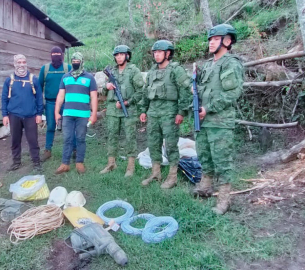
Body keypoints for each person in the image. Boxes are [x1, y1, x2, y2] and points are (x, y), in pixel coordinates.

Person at [192, 24, 244, 215]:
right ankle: (205, 186)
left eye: (215, 39)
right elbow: (204, 89)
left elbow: (233, 93)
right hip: (203, 121)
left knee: (222, 159)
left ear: (227, 41)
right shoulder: (207, 65)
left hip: (220, 121)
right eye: (210, 39)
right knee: (204, 154)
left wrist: (209, 108)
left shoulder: (231, 63)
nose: (211, 42)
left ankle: (224, 198)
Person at [139, 40, 192, 189]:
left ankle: (172, 176)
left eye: (159, 52)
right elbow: (145, 92)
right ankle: (156, 173)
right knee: (153, 142)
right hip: (153, 112)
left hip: (170, 112)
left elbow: (185, 91)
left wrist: (181, 112)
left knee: (170, 144)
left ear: (168, 54)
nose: (156, 55)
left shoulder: (176, 70)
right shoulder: (151, 72)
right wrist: (143, 110)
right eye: (155, 52)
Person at [100, 45, 144, 177]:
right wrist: (106, 86)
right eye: (116, 55)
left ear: (127, 56)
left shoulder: (133, 71)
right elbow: (103, 91)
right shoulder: (111, 71)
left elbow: (141, 91)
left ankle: (130, 167)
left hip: (128, 109)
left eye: (121, 54)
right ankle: (111, 163)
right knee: (112, 135)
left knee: (130, 137)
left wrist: (127, 102)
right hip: (113, 109)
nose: (118, 57)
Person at [54, 52, 98, 174]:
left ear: (82, 61)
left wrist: (93, 113)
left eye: (77, 61)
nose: (75, 63)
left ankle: (79, 163)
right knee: (67, 138)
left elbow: (94, 97)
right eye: (73, 61)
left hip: (83, 115)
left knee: (80, 138)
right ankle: (65, 164)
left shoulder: (89, 78)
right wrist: (56, 112)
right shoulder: (65, 77)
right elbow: (60, 96)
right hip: (67, 114)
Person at [1, 54, 43, 171]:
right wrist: (5, 115)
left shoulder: (33, 79)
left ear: (26, 63)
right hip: (14, 115)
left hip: (30, 115)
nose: (21, 65)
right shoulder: (9, 80)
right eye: (19, 62)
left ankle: (36, 162)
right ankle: (16, 162)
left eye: (23, 62)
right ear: (14, 64)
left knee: (33, 140)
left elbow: (39, 97)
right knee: (15, 140)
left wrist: (39, 114)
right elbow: (4, 98)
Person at [38, 46, 76, 161]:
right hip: (50, 103)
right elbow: (39, 87)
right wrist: (40, 104)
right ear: (50, 56)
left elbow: (74, 84)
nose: (56, 56)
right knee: (50, 127)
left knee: (69, 127)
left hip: (66, 103)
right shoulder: (45, 69)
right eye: (53, 54)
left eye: (58, 54)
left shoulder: (68, 68)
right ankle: (48, 150)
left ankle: (75, 149)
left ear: (62, 56)